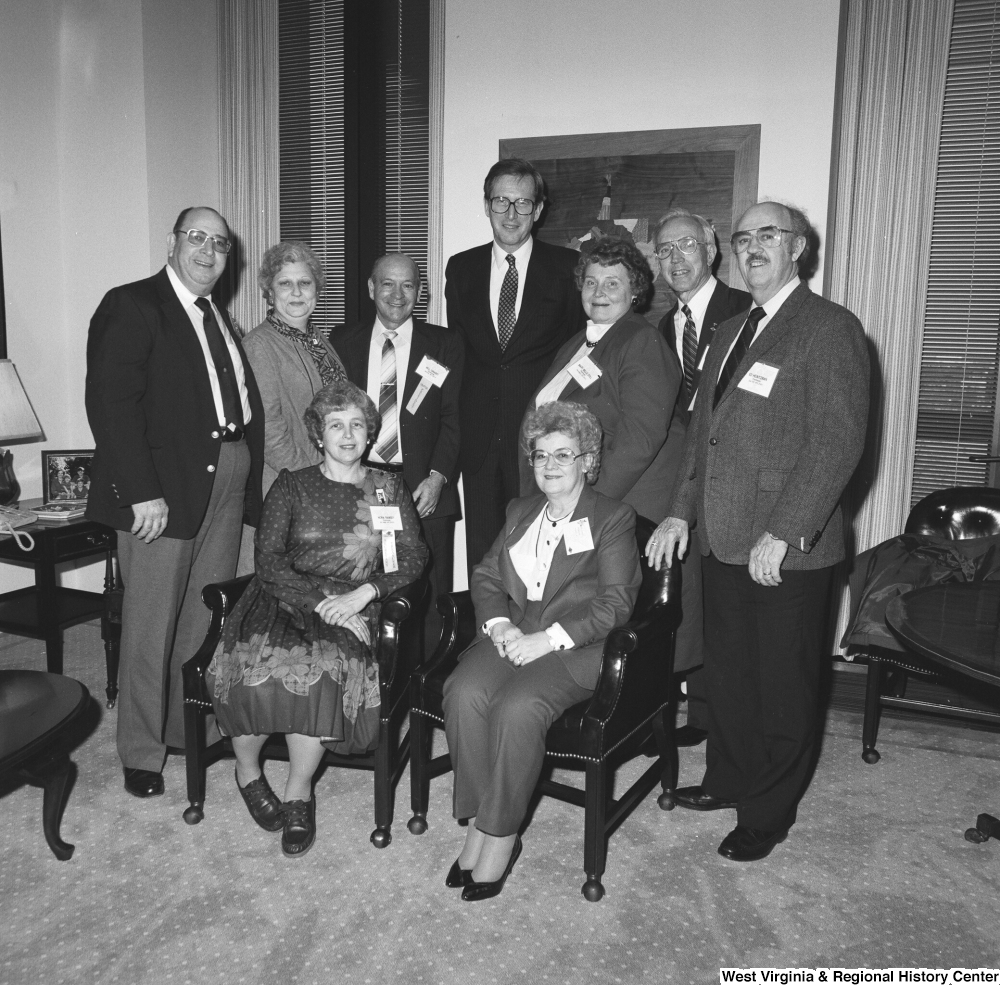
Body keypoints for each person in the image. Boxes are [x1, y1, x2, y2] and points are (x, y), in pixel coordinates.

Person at [647, 201, 869, 862]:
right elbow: (702, 441)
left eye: (767, 235)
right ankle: (729, 779)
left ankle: (767, 812)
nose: (752, 248)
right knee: (732, 676)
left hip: (785, 549)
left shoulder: (829, 327)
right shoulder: (729, 328)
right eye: (743, 238)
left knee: (783, 686)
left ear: (798, 247)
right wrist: (679, 511)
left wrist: (787, 529)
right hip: (723, 536)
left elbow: (837, 441)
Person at [85, 206, 265, 798]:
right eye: (197, 238)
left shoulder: (216, 315)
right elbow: (111, 406)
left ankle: (184, 730)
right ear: (172, 243)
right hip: (163, 494)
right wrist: (140, 492)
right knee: (150, 621)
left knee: (202, 619)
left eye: (219, 243)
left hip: (223, 482)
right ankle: (140, 750)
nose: (208, 251)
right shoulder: (134, 304)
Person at [206, 381, 428, 857]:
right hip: (282, 597)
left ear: (370, 434)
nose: (347, 435)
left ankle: (298, 791)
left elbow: (413, 555)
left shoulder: (389, 488)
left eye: (357, 425)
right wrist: (317, 601)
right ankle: (247, 773)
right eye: (335, 425)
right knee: (250, 670)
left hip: (353, 607)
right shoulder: (291, 484)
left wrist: (366, 593)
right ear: (318, 434)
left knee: (321, 675)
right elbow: (267, 560)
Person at [442, 401, 641, 901]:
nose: (549, 466)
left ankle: (502, 835)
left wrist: (545, 640)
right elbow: (487, 575)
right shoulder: (520, 510)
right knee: (462, 691)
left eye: (563, 454)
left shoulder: (613, 518)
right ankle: (480, 823)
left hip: (576, 646)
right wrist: (501, 623)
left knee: (517, 708)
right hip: (517, 630)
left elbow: (615, 604)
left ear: (587, 461)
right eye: (540, 455)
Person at [522, 238, 702, 674]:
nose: (599, 291)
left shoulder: (639, 341)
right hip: (578, 498)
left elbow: (641, 438)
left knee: (625, 628)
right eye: (591, 281)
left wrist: (584, 504)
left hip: (629, 504)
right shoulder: (579, 344)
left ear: (635, 290)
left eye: (612, 282)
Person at [445, 157, 585, 575]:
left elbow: (578, 353)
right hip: (480, 433)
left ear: (538, 210)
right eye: (501, 201)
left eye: (522, 203)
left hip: (542, 436)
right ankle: (485, 634)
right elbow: (460, 351)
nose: (510, 214)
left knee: (541, 548)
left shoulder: (566, 268)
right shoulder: (461, 267)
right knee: (484, 551)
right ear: (486, 205)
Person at [653, 208, 752, 747]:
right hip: (677, 482)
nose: (676, 258)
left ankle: (717, 720)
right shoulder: (654, 328)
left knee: (723, 605)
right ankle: (681, 707)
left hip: (730, 485)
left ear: (711, 250)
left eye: (686, 245)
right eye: (665, 250)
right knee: (682, 597)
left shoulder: (746, 311)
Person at [337, 253, 464, 657]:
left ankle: (422, 692)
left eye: (408, 285)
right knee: (363, 590)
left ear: (419, 292)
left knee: (427, 596)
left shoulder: (444, 344)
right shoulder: (342, 342)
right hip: (362, 488)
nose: (397, 294)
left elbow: (455, 418)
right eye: (387, 284)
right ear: (372, 288)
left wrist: (439, 476)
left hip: (426, 490)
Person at [236, 241, 347, 574]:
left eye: (305, 283)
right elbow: (271, 433)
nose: (296, 292)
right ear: (270, 292)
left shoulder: (319, 340)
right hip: (289, 491)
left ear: (317, 289)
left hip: (327, 487)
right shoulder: (259, 345)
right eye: (285, 283)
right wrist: (320, 481)